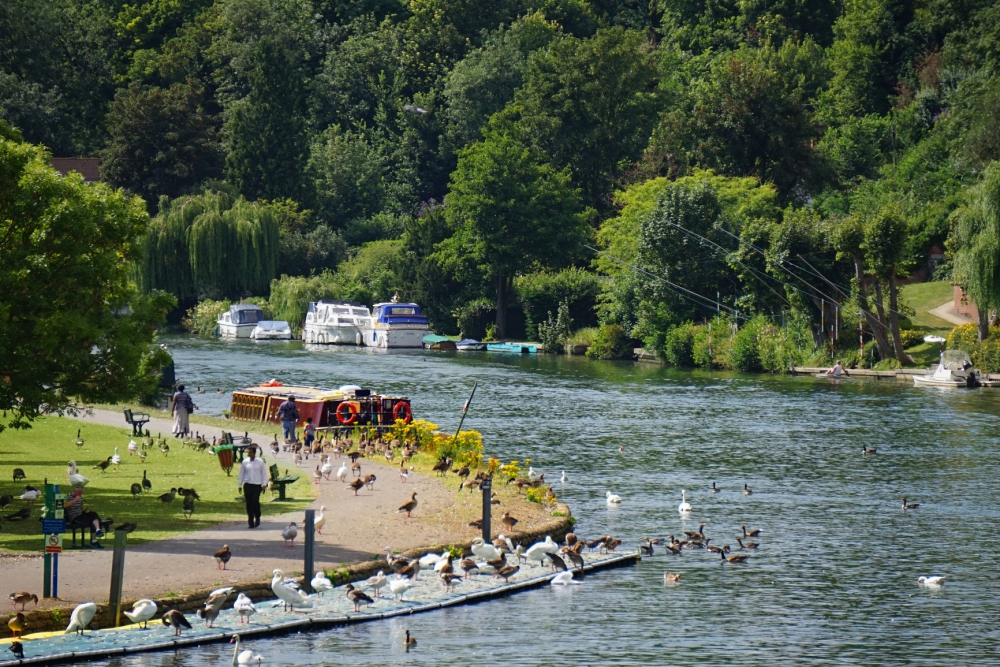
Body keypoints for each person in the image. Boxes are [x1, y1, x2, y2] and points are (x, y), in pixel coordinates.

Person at [237, 446, 268, 529]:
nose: (248, 454)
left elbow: (264, 473)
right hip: (247, 485)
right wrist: (239, 484)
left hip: (257, 485)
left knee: (255, 502)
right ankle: (250, 521)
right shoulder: (245, 462)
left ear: (254, 453)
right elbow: (241, 473)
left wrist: (264, 484)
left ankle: (257, 517)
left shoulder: (260, 462)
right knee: (249, 504)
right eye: (248, 452)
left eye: (250, 452)